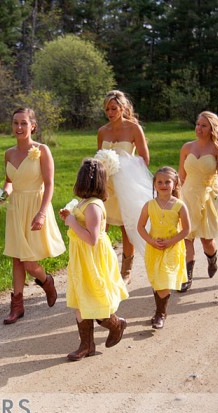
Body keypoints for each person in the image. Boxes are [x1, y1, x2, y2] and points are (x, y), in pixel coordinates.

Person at [0, 108, 65, 324]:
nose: (19, 127)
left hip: (35, 205)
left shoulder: (41, 150)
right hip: (16, 207)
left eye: (23, 123)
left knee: (29, 262)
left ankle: (46, 281)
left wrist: (42, 213)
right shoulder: (9, 153)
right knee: (17, 257)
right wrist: (2, 195)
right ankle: (17, 306)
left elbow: (50, 183)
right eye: (15, 123)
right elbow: (9, 180)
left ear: (32, 126)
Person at [59, 159, 129, 361]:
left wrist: (72, 222)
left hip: (92, 259)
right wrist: (69, 218)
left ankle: (116, 324)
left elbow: (91, 238)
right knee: (81, 300)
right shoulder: (84, 203)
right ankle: (86, 345)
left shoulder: (94, 207)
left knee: (95, 300)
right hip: (81, 258)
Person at [97, 90, 153, 284]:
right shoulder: (102, 131)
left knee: (126, 226)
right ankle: (101, 266)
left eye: (113, 108)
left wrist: (126, 166)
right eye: (107, 109)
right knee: (100, 226)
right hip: (106, 185)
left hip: (126, 184)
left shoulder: (134, 128)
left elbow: (145, 158)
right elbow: (98, 157)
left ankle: (126, 271)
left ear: (122, 108)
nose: (110, 112)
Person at [178, 111, 218, 292]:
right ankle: (187, 277)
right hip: (187, 195)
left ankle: (212, 258)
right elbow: (181, 176)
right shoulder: (187, 147)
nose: (198, 129)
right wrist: (175, 198)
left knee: (206, 240)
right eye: (197, 124)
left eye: (203, 126)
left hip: (208, 196)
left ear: (212, 128)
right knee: (186, 237)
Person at [137, 167, 190, 329]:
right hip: (154, 248)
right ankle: (160, 311)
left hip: (172, 247)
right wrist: (151, 241)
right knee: (156, 279)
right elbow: (140, 227)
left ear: (174, 184)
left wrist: (171, 241)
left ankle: (160, 314)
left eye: (167, 181)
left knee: (165, 278)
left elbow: (187, 229)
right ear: (154, 184)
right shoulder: (149, 205)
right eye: (159, 182)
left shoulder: (179, 206)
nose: (163, 184)